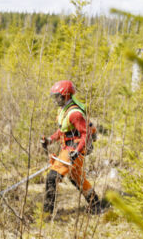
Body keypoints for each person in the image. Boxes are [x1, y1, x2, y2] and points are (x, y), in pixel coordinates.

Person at [39, 80, 107, 214]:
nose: (55, 99)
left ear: (65, 96)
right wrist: (50, 140)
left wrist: (77, 151)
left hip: (74, 149)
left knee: (52, 177)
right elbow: (63, 131)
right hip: (71, 148)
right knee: (78, 179)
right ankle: (96, 206)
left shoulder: (75, 113)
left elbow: (86, 134)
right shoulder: (64, 110)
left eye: (57, 96)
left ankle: (47, 214)